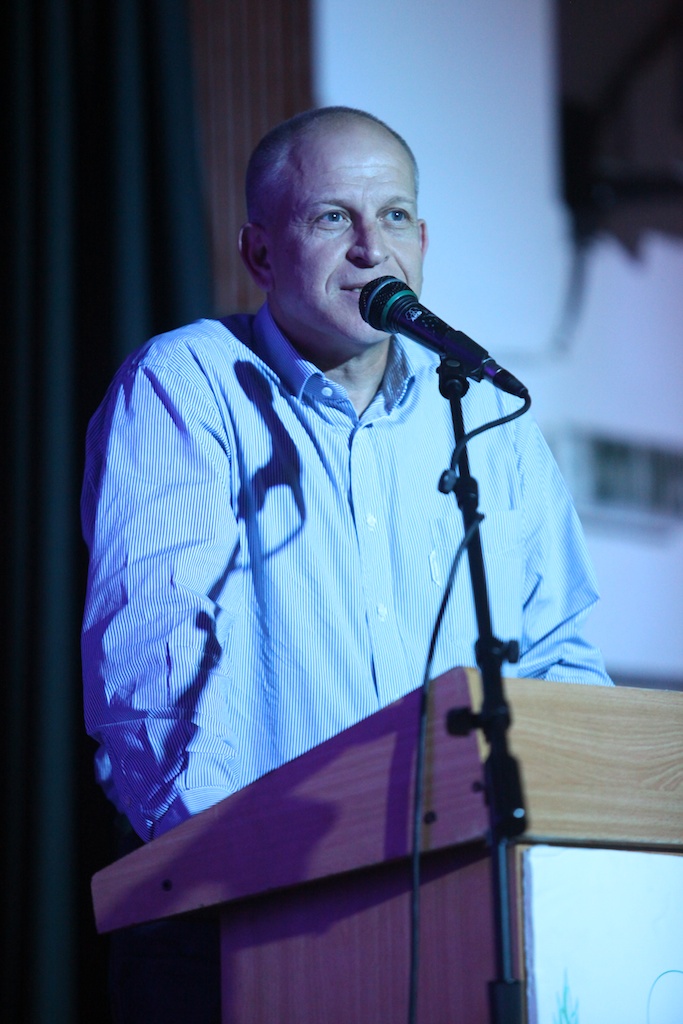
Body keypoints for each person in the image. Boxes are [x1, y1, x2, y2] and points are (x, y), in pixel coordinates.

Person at [81, 106, 612, 1020]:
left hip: (461, 910)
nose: (372, 248)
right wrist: (261, 879)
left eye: (394, 216)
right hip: (240, 921)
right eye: (333, 217)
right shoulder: (188, 383)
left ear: (422, 243)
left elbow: (557, 659)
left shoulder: (485, 415)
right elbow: (157, 677)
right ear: (259, 252)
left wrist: (574, 845)